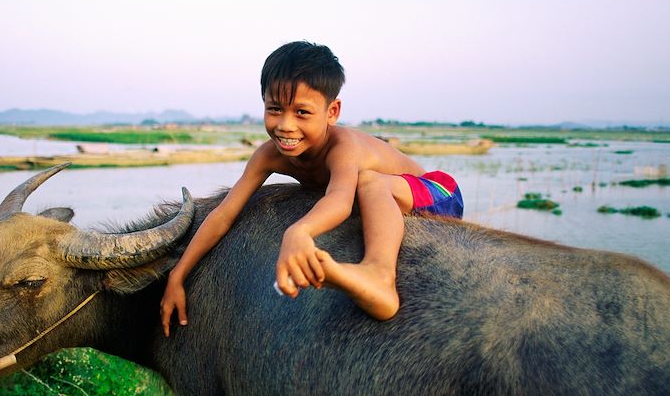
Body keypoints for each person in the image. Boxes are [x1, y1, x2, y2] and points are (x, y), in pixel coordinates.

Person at [160, 41, 463, 336]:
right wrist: (179, 274)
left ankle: (379, 274)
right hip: (396, 194)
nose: (285, 125)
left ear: (332, 112)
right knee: (367, 183)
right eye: (275, 109)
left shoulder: (344, 147)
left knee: (368, 181)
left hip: (437, 191)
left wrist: (299, 231)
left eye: (302, 113)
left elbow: (340, 199)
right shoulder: (268, 155)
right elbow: (224, 213)